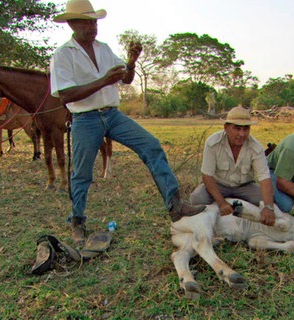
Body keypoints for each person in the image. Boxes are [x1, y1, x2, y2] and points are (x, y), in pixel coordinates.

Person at [50, 0, 205, 245]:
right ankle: (77, 221)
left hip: (113, 115)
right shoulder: (62, 55)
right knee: (81, 174)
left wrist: (131, 61)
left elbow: (127, 79)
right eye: (87, 22)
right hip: (85, 118)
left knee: (151, 146)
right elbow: (66, 94)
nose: (93, 27)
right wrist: (102, 81)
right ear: (72, 23)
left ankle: (176, 206)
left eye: (95, 21)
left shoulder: (104, 48)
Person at [190, 106, 276, 226]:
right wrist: (221, 203)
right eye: (237, 128)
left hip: (244, 186)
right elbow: (207, 176)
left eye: (246, 129)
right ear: (226, 127)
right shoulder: (213, 143)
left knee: (269, 199)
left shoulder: (256, 147)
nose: (241, 134)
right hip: (218, 184)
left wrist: (268, 207)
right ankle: (211, 218)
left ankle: (247, 221)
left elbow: (265, 178)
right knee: (197, 198)